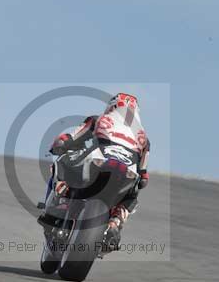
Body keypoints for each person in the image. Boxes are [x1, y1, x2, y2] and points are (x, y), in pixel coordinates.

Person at [44, 93, 150, 251]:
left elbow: (71, 138)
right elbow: (143, 175)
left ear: (113, 106)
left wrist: (60, 144)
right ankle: (115, 223)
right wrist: (140, 179)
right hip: (127, 172)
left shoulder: (98, 119)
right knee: (133, 193)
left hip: (99, 162)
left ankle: (61, 194)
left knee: (62, 161)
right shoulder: (144, 139)